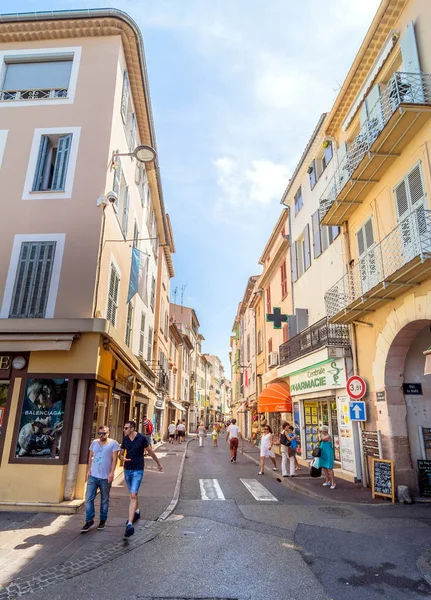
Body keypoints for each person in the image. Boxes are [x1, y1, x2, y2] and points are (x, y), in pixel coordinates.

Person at [120, 420, 163, 538]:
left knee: (133, 495)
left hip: (138, 470)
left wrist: (158, 463)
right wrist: (122, 458)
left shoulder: (142, 438)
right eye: (124, 428)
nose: (124, 430)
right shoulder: (125, 439)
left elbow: (150, 451)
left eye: (126, 428)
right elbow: (121, 453)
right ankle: (137, 512)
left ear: (132, 429)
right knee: (133, 494)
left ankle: (129, 523)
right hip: (127, 469)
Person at [81, 425, 120, 533]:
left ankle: (103, 519)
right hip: (93, 475)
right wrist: (89, 469)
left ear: (108, 433)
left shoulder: (114, 444)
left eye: (104, 433)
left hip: (105, 477)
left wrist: (112, 473)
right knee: (88, 498)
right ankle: (89, 520)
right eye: (100, 433)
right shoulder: (94, 443)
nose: (101, 435)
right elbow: (90, 456)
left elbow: (114, 459)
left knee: (104, 500)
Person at [318, 425, 336, 489]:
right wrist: (320, 435)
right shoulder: (322, 435)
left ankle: (333, 482)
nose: (321, 432)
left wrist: (319, 435)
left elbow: (321, 440)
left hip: (328, 453)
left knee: (329, 468)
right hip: (323, 452)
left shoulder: (328, 436)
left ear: (324, 431)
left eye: (321, 430)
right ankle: (327, 480)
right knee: (324, 467)